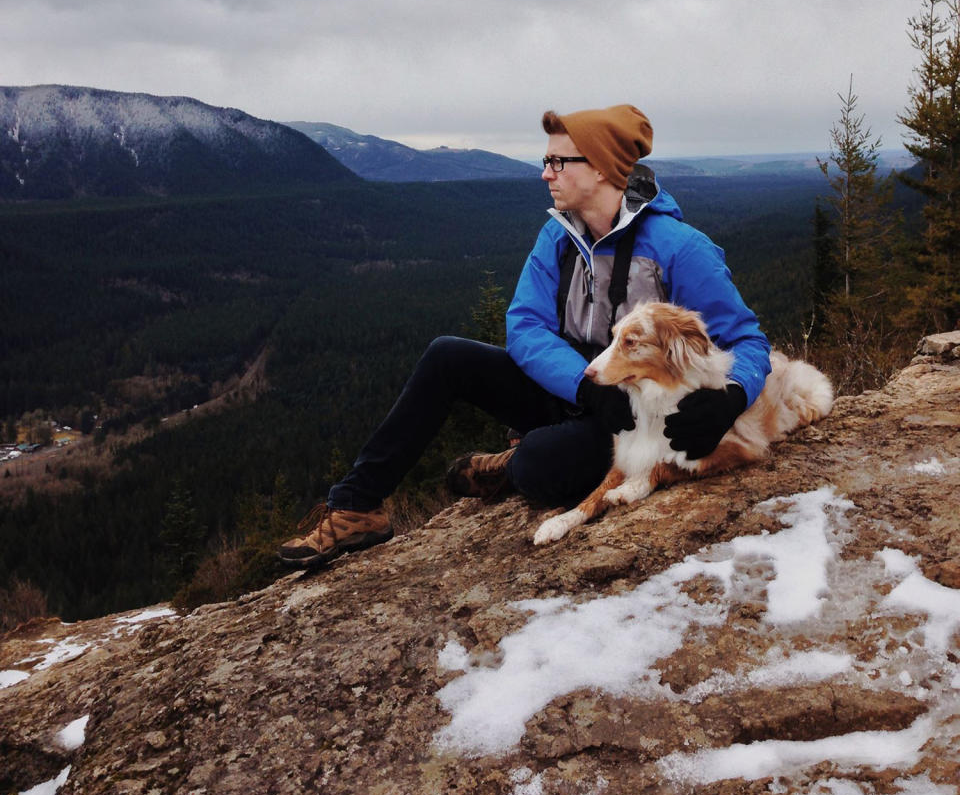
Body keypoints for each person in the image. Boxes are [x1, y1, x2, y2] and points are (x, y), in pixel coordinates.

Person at [278, 104, 771, 569]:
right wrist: (582, 385)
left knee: (542, 467)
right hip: (578, 387)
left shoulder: (681, 248)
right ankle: (357, 507)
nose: (545, 173)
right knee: (446, 356)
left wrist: (731, 397)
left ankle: (511, 461)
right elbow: (525, 326)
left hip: (635, 413)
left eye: (558, 161)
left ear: (600, 168)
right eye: (546, 160)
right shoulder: (559, 236)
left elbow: (747, 339)